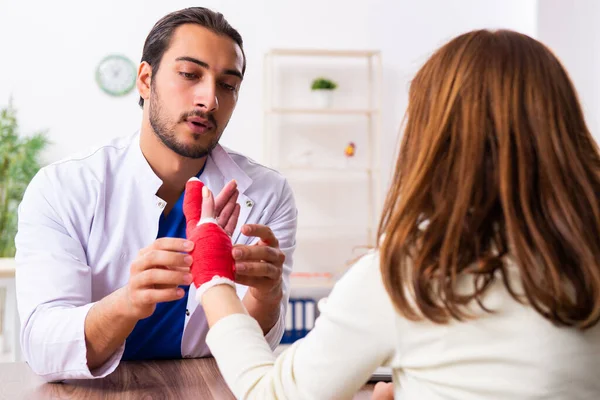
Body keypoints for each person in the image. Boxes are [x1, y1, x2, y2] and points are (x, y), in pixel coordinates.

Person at [191, 29, 600, 399]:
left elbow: (272, 395)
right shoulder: (587, 264)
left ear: (435, 139)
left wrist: (211, 269)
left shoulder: (410, 275)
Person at [14, 7, 297, 382]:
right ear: (145, 80)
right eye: (189, 74)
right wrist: (129, 301)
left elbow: (254, 352)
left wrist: (267, 297)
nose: (209, 99)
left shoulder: (267, 194)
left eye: (227, 84)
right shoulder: (63, 188)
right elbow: (42, 345)